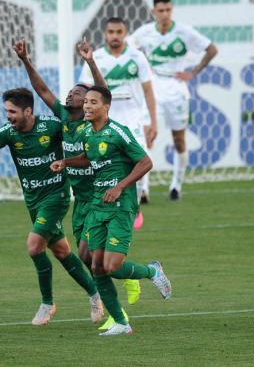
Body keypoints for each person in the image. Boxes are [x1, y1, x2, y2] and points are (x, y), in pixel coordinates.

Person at [13, 38, 140, 328]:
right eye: (71, 92)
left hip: (100, 196)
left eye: (79, 93)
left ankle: (118, 309)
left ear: (90, 102)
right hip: (79, 198)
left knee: (98, 258)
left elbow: (103, 92)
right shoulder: (63, 117)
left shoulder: (92, 121)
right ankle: (114, 294)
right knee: (85, 255)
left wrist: (91, 62)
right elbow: (42, 89)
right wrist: (25, 59)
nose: (71, 94)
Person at [51, 86, 172, 336]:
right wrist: (66, 162)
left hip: (120, 206)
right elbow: (89, 157)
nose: (86, 106)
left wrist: (120, 186)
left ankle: (152, 271)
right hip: (97, 204)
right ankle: (121, 322)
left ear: (106, 106)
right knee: (95, 265)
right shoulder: (86, 131)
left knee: (112, 266)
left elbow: (145, 162)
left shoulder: (118, 132)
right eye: (86, 103)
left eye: (93, 102)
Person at [0, 88, 103, 325]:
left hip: (56, 197)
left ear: (28, 111)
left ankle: (47, 303)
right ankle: (95, 294)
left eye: (12, 112)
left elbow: (78, 139)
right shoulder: (9, 133)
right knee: (62, 252)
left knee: (35, 247)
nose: (8, 116)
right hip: (33, 201)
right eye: (6, 111)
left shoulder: (53, 127)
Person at [128, 0, 218, 200]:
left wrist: (194, 72)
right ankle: (144, 190)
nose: (165, 14)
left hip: (177, 88)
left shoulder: (184, 32)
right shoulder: (145, 32)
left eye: (168, 10)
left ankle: (176, 186)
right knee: (147, 135)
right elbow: (127, 49)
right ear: (153, 11)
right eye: (161, 10)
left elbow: (211, 49)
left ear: (172, 10)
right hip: (153, 86)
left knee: (179, 140)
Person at [79, 17, 157, 223]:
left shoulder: (137, 56)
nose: (115, 36)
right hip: (106, 120)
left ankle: (136, 205)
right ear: (105, 34)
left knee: (140, 159)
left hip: (133, 118)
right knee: (105, 163)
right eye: (111, 32)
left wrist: (153, 121)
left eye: (119, 32)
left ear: (125, 33)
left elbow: (148, 91)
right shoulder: (95, 58)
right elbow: (84, 91)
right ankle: (107, 204)